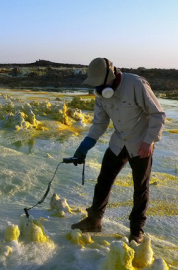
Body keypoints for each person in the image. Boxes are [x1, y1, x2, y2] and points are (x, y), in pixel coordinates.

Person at [70, 57, 166, 244]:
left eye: (100, 84)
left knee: (140, 188)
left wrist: (149, 141)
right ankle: (94, 220)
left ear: (111, 76)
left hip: (141, 143)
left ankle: (136, 231)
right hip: (118, 141)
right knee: (104, 179)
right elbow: (100, 123)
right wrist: (86, 144)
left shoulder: (136, 84)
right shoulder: (100, 93)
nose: (97, 88)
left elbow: (158, 115)